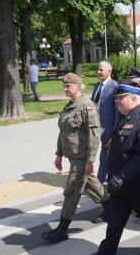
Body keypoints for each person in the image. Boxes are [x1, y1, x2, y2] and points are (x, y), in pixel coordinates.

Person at [84, 78, 140, 255]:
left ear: (133, 99)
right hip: (119, 185)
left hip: (138, 184)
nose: (116, 101)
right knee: (114, 222)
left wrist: (122, 176)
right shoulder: (125, 118)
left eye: (120, 98)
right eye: (116, 98)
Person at [41, 73, 109, 242]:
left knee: (72, 191)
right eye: (63, 86)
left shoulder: (87, 106)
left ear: (78, 86)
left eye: (68, 86)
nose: (65, 89)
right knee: (89, 184)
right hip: (72, 156)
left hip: (82, 158)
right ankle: (110, 206)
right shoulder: (69, 106)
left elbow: (94, 135)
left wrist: (90, 161)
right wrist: (59, 154)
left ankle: (62, 228)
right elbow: (64, 132)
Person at [92, 61, 121, 192]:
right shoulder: (96, 86)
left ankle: (100, 180)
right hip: (96, 127)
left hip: (108, 128)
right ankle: (100, 179)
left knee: (105, 154)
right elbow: (94, 103)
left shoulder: (115, 86)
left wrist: (114, 130)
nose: (98, 72)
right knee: (99, 153)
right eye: (98, 70)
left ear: (109, 71)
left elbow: (117, 112)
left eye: (101, 70)